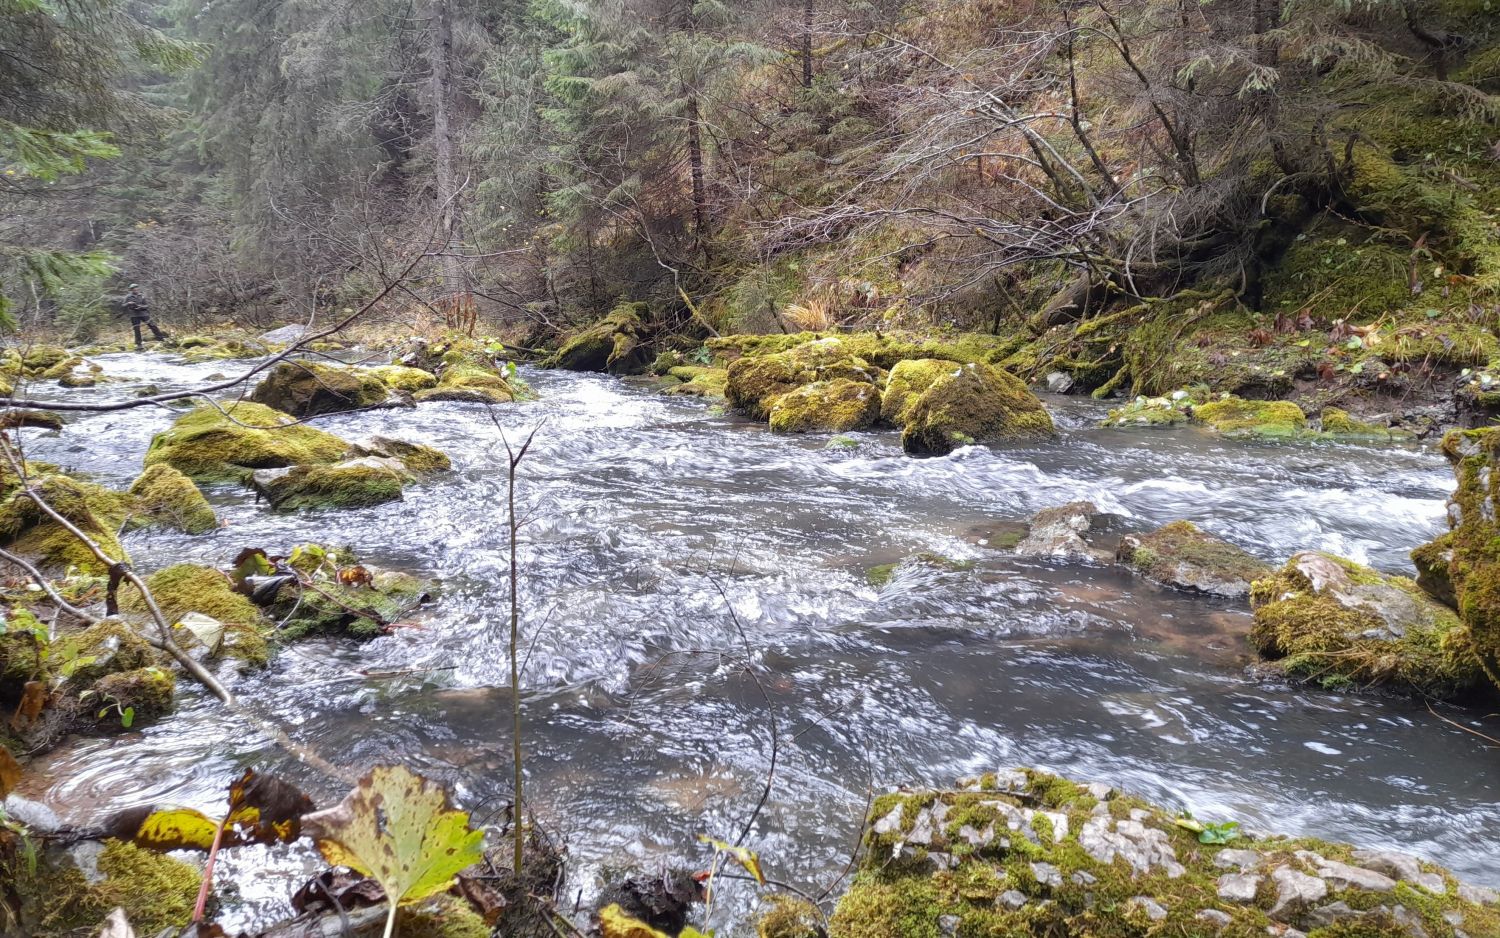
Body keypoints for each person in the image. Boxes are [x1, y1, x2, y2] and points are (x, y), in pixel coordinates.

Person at [121, 283, 168, 349]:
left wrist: (140, 307)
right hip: (134, 315)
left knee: (152, 325)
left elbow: (146, 305)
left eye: (136, 288)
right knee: (136, 329)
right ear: (131, 290)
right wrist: (129, 303)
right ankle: (139, 344)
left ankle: (161, 339)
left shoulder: (142, 296)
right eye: (134, 289)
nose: (135, 289)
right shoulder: (127, 297)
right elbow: (123, 306)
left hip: (143, 313)